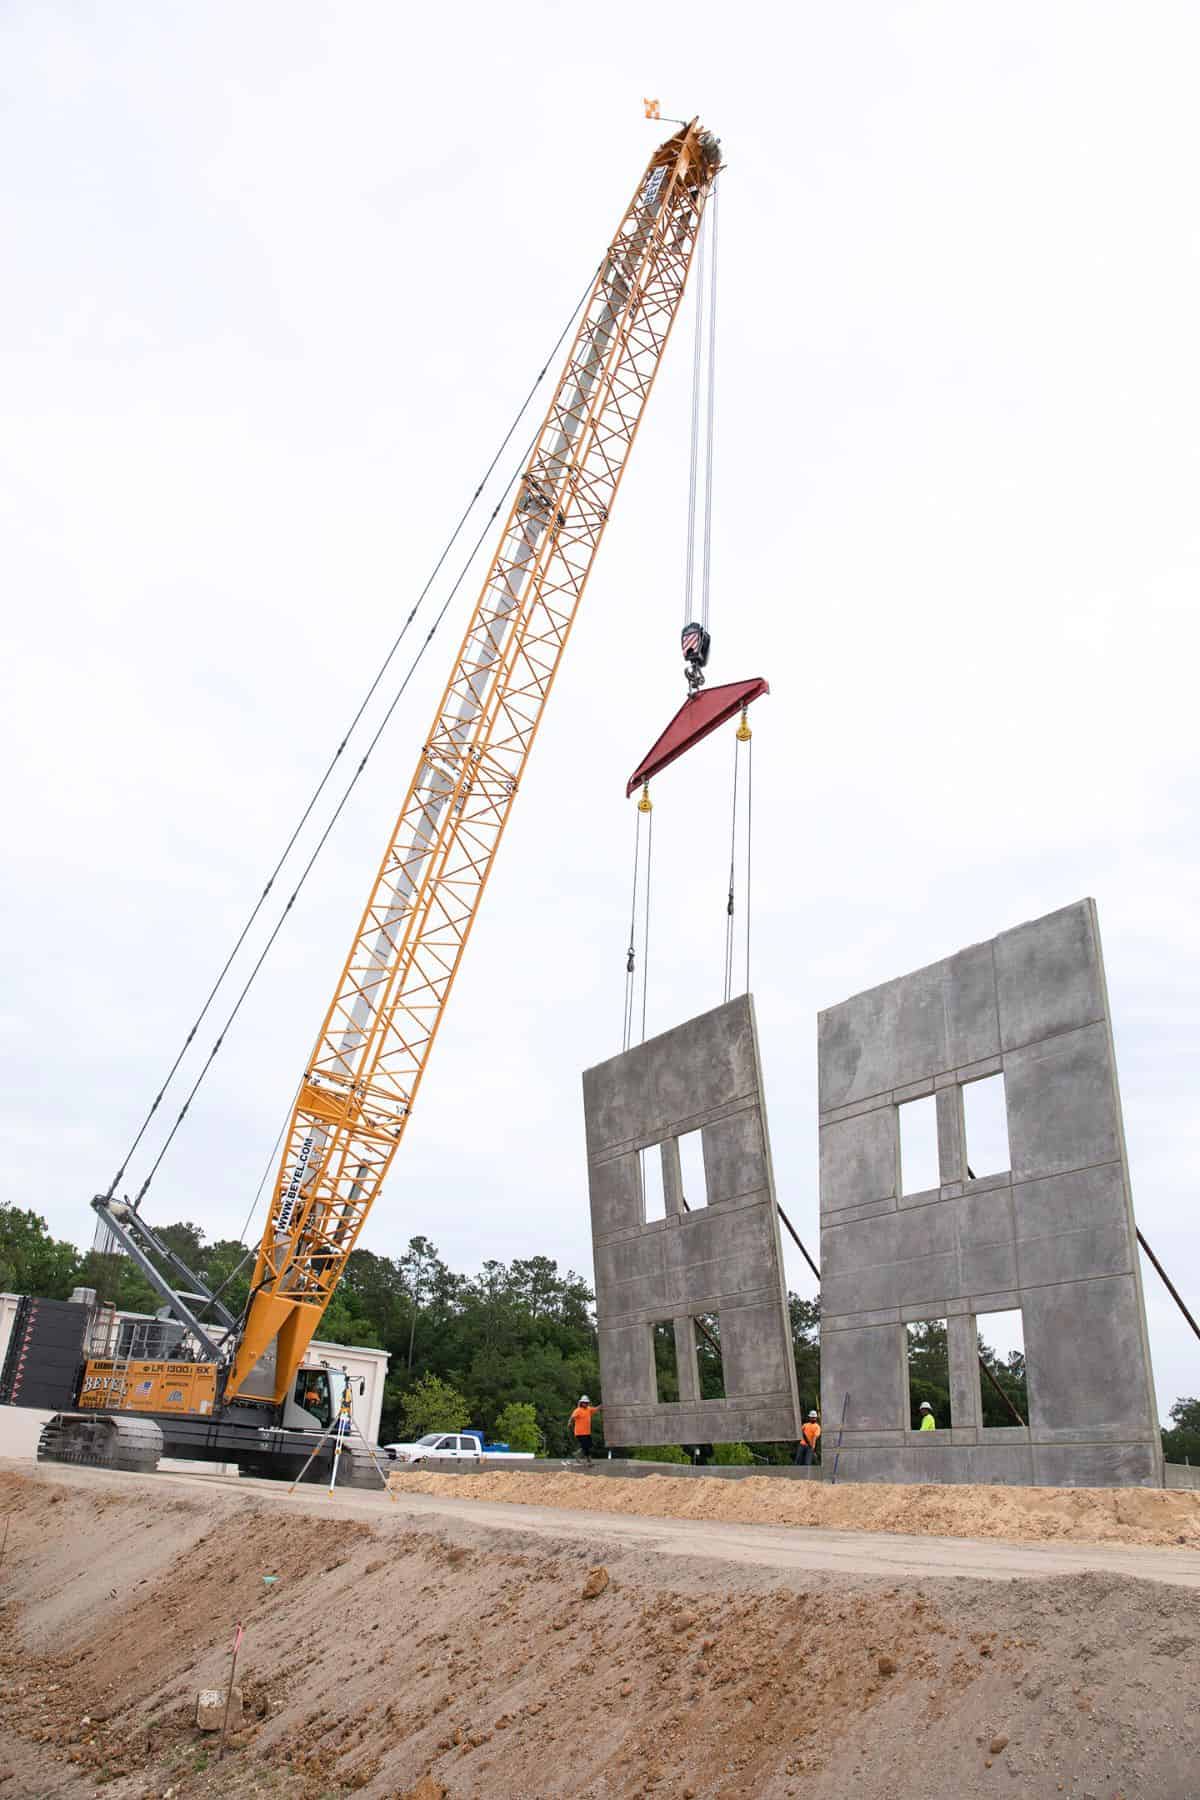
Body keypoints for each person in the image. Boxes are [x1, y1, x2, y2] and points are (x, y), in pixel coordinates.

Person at [569, 1394, 602, 1461]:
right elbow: (572, 1417)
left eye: (587, 1403)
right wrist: (569, 1423)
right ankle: (588, 1459)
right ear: (581, 1403)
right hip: (580, 1432)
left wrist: (602, 1405)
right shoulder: (578, 1410)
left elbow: (596, 1409)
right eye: (584, 1402)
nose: (586, 1404)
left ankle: (577, 1454)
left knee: (588, 1446)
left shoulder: (589, 1409)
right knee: (585, 1446)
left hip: (587, 1432)